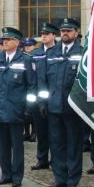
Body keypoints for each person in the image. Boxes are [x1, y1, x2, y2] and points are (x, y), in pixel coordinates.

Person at [0, 26, 37, 187]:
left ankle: (17, 176)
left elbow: (32, 87)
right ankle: (5, 174)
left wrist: (29, 108)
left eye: (8, 40)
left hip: (16, 109)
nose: (4, 42)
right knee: (3, 145)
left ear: (16, 42)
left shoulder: (26, 60)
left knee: (17, 145)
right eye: (3, 40)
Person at [39, 18, 84, 187]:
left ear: (76, 33)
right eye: (63, 30)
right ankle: (60, 177)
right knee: (56, 144)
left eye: (69, 30)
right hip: (54, 107)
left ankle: (73, 179)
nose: (65, 33)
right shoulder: (52, 53)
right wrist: (43, 102)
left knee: (74, 144)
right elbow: (44, 81)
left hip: (73, 108)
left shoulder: (83, 53)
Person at [30, 23, 58, 170]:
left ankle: (54, 159)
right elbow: (31, 78)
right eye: (42, 33)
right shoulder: (36, 53)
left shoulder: (59, 52)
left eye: (47, 34)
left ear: (54, 36)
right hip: (38, 99)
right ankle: (42, 159)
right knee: (41, 132)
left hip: (54, 100)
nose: (44, 36)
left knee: (54, 133)